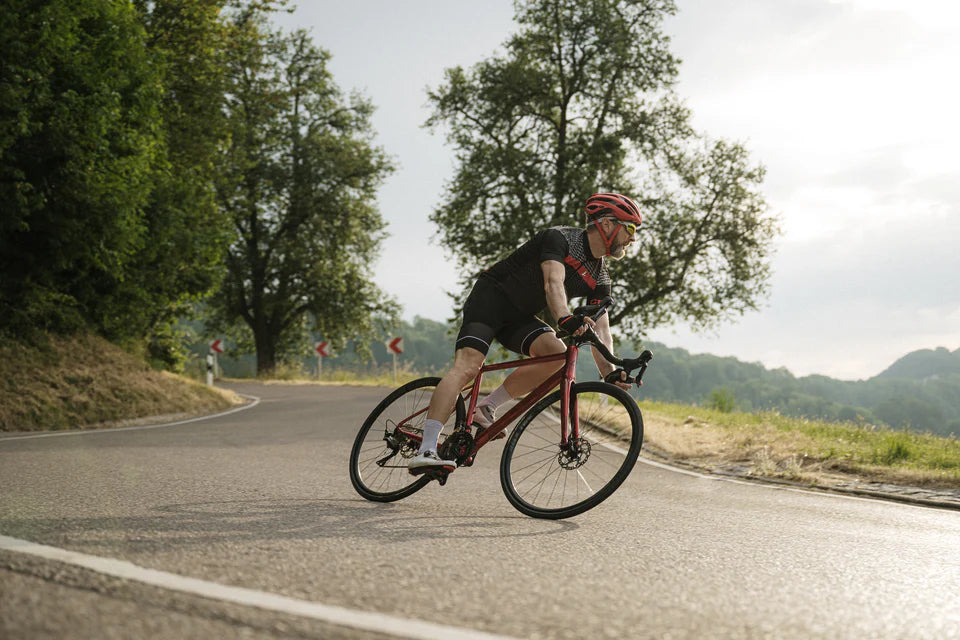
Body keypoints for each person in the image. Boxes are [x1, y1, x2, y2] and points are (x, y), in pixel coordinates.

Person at [408, 192, 642, 474]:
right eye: (630, 228)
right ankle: (427, 449)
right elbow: (552, 283)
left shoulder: (601, 276)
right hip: (491, 300)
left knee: (557, 357)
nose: (633, 238)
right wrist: (565, 318)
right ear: (606, 224)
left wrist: (609, 371)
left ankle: (486, 408)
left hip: (519, 317)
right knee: (469, 366)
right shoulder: (560, 238)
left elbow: (601, 327)